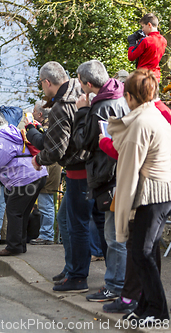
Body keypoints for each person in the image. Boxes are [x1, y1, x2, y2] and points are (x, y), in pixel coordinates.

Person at [108, 69, 171, 325]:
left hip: (151, 194)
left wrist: (122, 217)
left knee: (141, 253)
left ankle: (158, 311)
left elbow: (128, 174)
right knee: (147, 251)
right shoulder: (154, 116)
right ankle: (147, 306)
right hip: (161, 192)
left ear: (131, 97)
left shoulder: (141, 123)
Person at [31, 61, 92, 292]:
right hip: (90, 166)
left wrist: (38, 157)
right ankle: (73, 269)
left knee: (76, 224)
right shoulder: (82, 89)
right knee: (68, 220)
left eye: (41, 84)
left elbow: (55, 149)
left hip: (79, 170)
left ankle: (78, 275)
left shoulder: (60, 106)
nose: (42, 88)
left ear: (48, 82)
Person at [72, 60, 130, 303]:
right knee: (118, 234)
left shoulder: (99, 106)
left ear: (87, 84)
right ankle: (120, 284)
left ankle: (115, 286)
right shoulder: (121, 96)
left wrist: (82, 110)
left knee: (113, 235)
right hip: (123, 171)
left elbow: (84, 142)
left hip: (110, 175)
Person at [0, 113, 47, 256]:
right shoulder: (11, 132)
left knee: (14, 211)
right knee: (21, 212)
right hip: (37, 174)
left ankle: (14, 247)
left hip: (25, 178)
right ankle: (20, 245)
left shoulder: (1, 140)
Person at [27, 100, 62, 246]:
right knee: (45, 202)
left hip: (49, 168)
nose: (33, 114)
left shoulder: (46, 128)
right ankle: (46, 233)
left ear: (40, 114)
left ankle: (46, 234)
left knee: (45, 202)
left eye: (34, 112)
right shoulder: (51, 125)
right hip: (52, 167)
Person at [127, 13, 167, 82]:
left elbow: (131, 57)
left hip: (143, 77)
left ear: (149, 25)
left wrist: (132, 43)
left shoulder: (146, 41)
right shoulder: (164, 40)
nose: (142, 29)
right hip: (155, 77)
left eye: (143, 26)